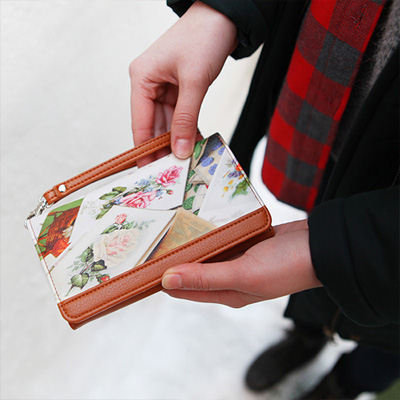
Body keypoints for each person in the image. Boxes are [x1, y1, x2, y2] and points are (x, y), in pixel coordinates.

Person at [129, 1, 399, 398]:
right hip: (327, 100)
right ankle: (306, 335)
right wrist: (225, 9)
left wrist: (355, 249)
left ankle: (345, 386)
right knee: (323, 233)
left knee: (387, 333)